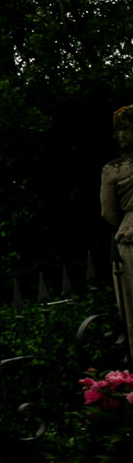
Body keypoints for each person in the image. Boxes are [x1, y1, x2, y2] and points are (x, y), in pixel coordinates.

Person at [103, 105, 133, 348]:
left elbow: (109, 212)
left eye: (124, 129)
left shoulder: (114, 169)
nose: (120, 135)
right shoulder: (115, 167)